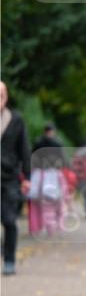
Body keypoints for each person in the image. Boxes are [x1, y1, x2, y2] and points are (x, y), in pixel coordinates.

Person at [1, 81, 31, 275]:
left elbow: (24, 150)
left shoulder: (16, 119)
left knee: (10, 221)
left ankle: (10, 260)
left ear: (6, 96)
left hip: (8, 179)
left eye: (2, 93)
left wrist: (27, 178)